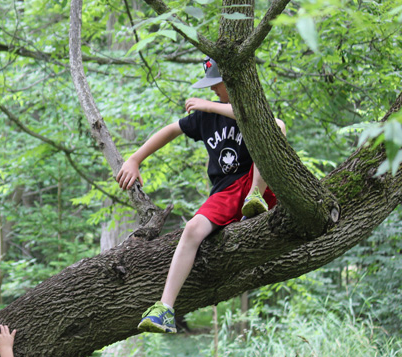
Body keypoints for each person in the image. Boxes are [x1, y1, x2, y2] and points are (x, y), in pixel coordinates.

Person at [116, 58, 286, 334]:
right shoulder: (205, 119)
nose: (213, 91)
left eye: (216, 85)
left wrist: (210, 105)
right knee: (193, 228)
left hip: (260, 184)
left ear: (231, 81)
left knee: (273, 130)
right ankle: (165, 308)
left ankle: (256, 197)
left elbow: (276, 126)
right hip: (226, 191)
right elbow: (171, 130)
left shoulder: (252, 107)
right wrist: (135, 158)